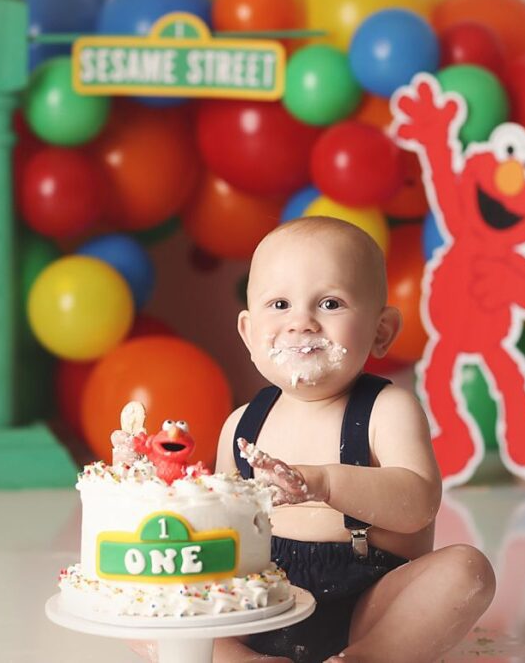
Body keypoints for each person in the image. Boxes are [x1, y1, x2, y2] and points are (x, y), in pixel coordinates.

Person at [212, 216, 496, 663]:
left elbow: (418, 504)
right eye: (280, 304)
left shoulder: (387, 409)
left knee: (467, 570)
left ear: (381, 331)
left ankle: (368, 657)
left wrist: (324, 483)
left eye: (329, 303)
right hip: (260, 604)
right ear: (248, 333)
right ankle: (243, 659)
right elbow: (219, 534)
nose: (301, 322)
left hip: (367, 604)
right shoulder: (242, 425)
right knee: (141, 594)